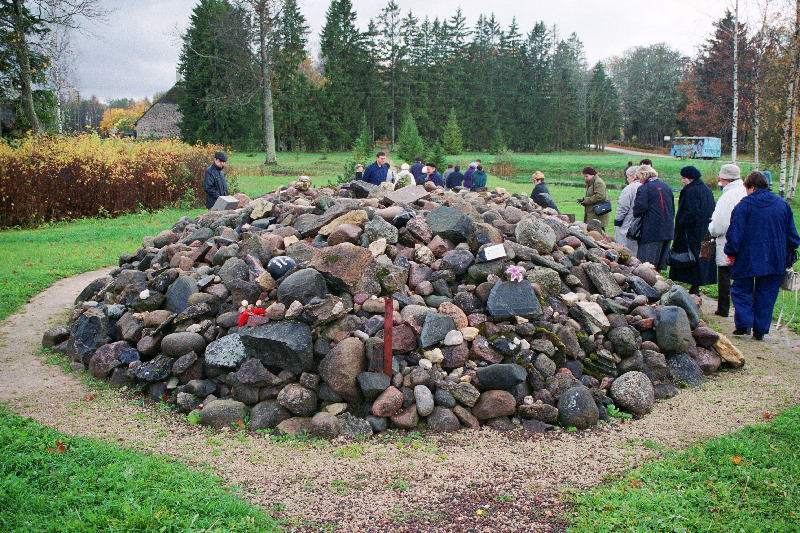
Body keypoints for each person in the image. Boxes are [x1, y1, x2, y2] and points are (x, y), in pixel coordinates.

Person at [725, 171, 800, 340]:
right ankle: (760, 330)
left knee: (740, 289)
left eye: (746, 188)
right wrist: (789, 253)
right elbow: (793, 237)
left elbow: (735, 234)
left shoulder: (743, 206)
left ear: (751, 187)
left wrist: (730, 252)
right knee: (766, 295)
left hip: (747, 257)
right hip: (775, 257)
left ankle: (744, 323)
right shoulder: (782, 205)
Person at [668, 165, 717, 294]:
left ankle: (690, 287)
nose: (682, 181)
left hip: (692, 232)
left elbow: (691, 211)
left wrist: (682, 223)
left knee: (691, 258)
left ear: (691, 178)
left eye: (684, 178)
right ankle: (696, 286)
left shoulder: (691, 191)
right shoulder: (706, 189)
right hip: (705, 230)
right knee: (702, 259)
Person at [708, 164, 747, 317]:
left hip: (727, 239)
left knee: (724, 273)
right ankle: (744, 309)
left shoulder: (727, 196)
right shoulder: (746, 191)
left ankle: (723, 308)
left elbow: (720, 224)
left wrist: (712, 229)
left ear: (724, 178)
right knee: (744, 276)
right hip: (746, 240)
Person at [632, 164, 675, 270]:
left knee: (646, 266)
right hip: (667, 231)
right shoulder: (666, 186)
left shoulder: (644, 188)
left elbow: (638, 209)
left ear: (643, 176)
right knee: (659, 266)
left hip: (651, 232)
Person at [614, 165, 641, 255]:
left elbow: (623, 207)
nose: (627, 179)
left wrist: (617, 221)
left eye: (628, 177)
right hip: (641, 224)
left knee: (625, 249)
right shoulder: (646, 186)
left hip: (628, 223)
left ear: (633, 177)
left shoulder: (629, 188)